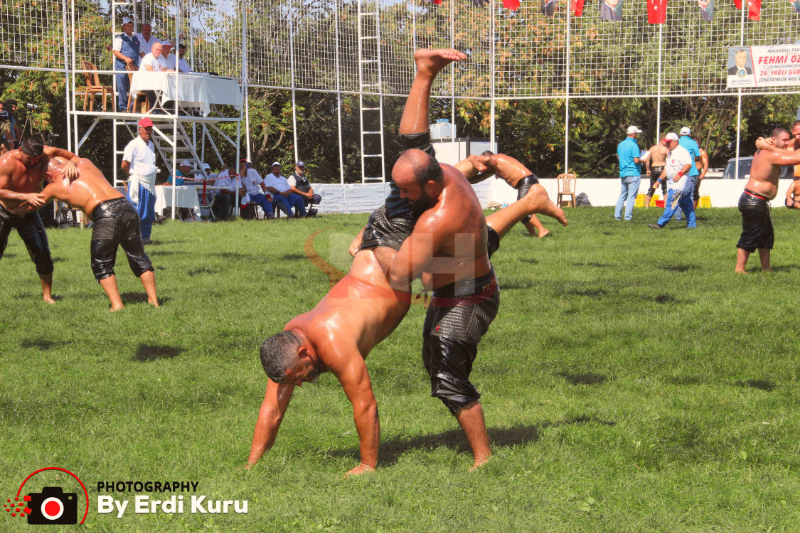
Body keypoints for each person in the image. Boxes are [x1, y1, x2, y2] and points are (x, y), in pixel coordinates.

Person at [249, 151, 564, 477]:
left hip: (388, 248)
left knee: (442, 245)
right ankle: (524, 200)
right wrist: (251, 465)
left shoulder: (333, 342)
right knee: (462, 245)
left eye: (297, 377)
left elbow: (365, 405)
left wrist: (367, 464)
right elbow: (272, 408)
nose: (299, 385)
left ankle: (478, 172)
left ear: (303, 351)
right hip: (376, 252)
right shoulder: (288, 341)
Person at [14, 156, 158, 311]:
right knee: (138, 256)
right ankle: (154, 301)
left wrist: (11, 208)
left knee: (101, 263)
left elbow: (31, 207)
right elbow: (68, 155)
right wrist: (71, 161)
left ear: (48, 175)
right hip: (127, 208)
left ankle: (117, 305)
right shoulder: (85, 164)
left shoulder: (54, 187)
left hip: (106, 214)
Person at [0, 137, 80, 303]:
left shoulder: (45, 153)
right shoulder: (6, 162)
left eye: (37, 159)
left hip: (29, 212)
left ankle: (47, 296)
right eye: (30, 159)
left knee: (42, 252)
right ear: (21, 150)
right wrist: (25, 196)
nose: (34, 163)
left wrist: (71, 163)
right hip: (4, 210)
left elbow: (73, 157)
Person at [740, 128, 800, 273]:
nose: (787, 143)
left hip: (759, 201)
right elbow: (796, 158)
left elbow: (790, 150)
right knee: (750, 235)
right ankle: (739, 270)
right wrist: (766, 145)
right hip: (754, 200)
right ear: (773, 140)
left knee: (766, 237)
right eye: (784, 140)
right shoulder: (770, 153)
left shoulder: (770, 149)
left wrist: (765, 143)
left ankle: (766, 268)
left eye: (788, 140)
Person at [466, 151, 553, 238]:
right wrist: (466, 178)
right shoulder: (494, 168)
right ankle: (532, 234)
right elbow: (477, 179)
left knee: (523, 209)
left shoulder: (493, 159)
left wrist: (471, 158)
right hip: (526, 181)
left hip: (526, 180)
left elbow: (479, 161)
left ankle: (542, 230)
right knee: (522, 210)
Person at [647, 132, 696, 230]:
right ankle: (692, 226)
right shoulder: (670, 153)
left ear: (675, 142)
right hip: (680, 185)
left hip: (680, 185)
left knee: (671, 203)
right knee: (687, 206)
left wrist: (679, 174)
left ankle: (660, 224)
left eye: (669, 142)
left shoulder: (682, 151)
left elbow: (688, 164)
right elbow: (667, 169)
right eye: (666, 142)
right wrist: (658, 181)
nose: (667, 144)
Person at [122, 118, 158, 244]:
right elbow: (124, 165)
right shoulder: (133, 145)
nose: (148, 131)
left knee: (149, 212)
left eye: (150, 129)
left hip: (150, 183)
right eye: (146, 129)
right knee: (137, 211)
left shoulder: (151, 145)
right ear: (140, 129)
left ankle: (145, 237)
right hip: (138, 182)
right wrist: (131, 176)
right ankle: (132, 238)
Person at [111, 18, 141, 112]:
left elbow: (140, 52)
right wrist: (126, 58)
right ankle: (123, 107)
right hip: (122, 66)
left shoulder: (135, 38)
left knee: (134, 86)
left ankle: (132, 107)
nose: (130, 28)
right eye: (128, 26)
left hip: (133, 67)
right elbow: (115, 51)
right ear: (123, 27)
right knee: (122, 87)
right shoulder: (119, 38)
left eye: (131, 26)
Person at [615, 125, 643, 221]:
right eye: (636, 134)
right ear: (633, 134)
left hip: (623, 172)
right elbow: (636, 160)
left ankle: (617, 216)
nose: (637, 135)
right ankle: (627, 217)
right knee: (631, 197)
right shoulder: (634, 145)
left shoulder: (621, 144)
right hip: (633, 173)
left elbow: (619, 157)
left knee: (622, 195)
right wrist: (644, 160)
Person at [676, 127, 701, 219]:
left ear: (680, 134)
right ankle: (689, 216)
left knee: (677, 193)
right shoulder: (693, 142)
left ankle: (678, 217)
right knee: (690, 195)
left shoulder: (676, 142)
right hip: (691, 171)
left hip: (678, 171)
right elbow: (698, 156)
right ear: (690, 134)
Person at [644, 135, 669, 209]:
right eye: (666, 141)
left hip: (654, 168)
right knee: (664, 188)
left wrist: (647, 169)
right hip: (662, 168)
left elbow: (647, 160)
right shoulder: (665, 149)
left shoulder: (652, 148)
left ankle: (647, 206)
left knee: (652, 187)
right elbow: (670, 159)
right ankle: (665, 205)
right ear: (662, 140)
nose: (667, 142)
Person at [693, 145, 709, 210]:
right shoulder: (688, 150)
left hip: (697, 172)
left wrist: (703, 173)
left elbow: (706, 163)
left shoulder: (701, 152)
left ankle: (693, 209)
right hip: (688, 172)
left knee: (695, 189)